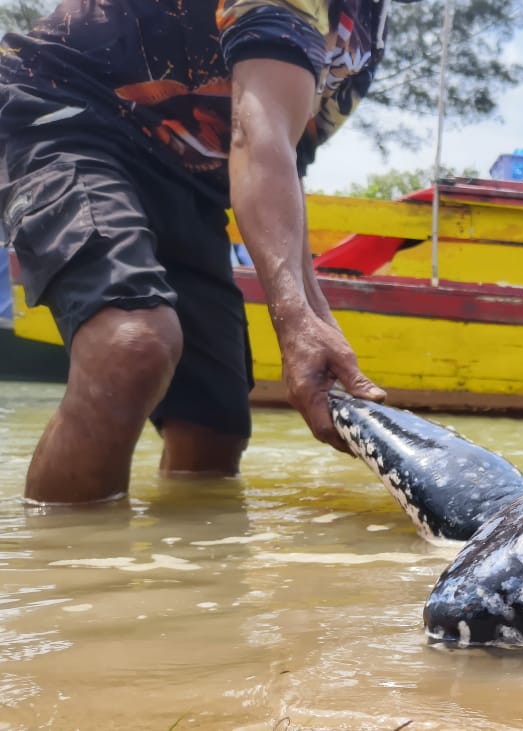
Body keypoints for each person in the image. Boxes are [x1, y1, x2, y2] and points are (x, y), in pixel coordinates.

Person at [0, 0, 405, 504]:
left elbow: (285, 154)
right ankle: (66, 577)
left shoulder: (366, 33)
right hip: (65, 115)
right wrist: (293, 318)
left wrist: (313, 317)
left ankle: (189, 578)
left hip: (187, 175)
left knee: (215, 422)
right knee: (130, 350)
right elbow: (255, 136)